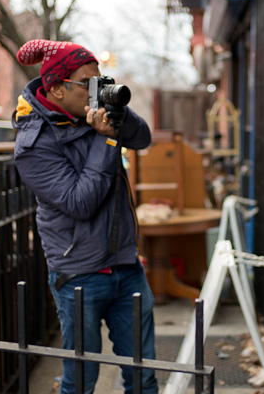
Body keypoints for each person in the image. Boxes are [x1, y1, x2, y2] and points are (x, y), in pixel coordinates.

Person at [12, 39, 157, 394]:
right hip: (79, 274)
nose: (98, 89)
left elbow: (143, 139)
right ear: (58, 89)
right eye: (89, 84)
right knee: (81, 381)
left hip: (125, 264)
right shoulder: (33, 144)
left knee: (143, 375)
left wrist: (116, 107)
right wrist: (105, 141)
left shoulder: (93, 113)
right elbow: (79, 203)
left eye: (101, 80)